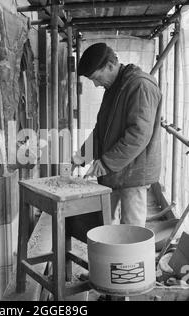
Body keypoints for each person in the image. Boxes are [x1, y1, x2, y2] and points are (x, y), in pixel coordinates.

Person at [72, 42, 162, 227]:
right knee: (107, 223)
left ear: (110, 66)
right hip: (115, 172)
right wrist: (81, 156)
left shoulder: (140, 85)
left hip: (133, 174)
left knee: (132, 229)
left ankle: (132, 257)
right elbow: (101, 130)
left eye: (96, 78)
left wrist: (105, 163)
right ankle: (110, 256)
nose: (96, 84)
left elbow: (138, 135)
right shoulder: (114, 87)